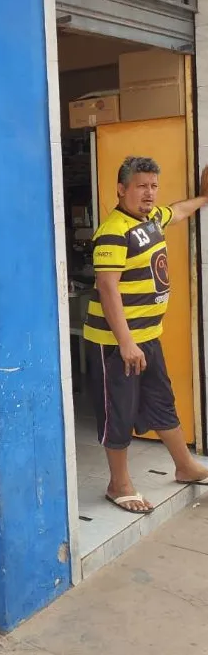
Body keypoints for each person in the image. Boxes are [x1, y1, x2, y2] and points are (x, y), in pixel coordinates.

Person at [83, 156, 208, 514]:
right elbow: (107, 288)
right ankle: (117, 484)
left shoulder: (151, 219)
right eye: (141, 186)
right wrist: (125, 343)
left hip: (147, 336)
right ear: (121, 189)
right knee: (118, 412)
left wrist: (203, 198)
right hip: (115, 343)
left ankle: (184, 465)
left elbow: (178, 211)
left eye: (153, 185)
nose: (149, 193)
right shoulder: (113, 230)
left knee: (161, 400)